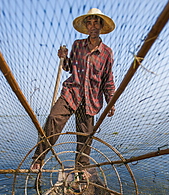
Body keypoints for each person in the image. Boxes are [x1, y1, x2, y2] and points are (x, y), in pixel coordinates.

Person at [31, 8, 116, 170]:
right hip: (72, 92)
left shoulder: (107, 53)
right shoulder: (77, 45)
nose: (93, 26)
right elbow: (70, 67)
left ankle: (81, 168)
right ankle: (38, 158)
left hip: (90, 99)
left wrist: (110, 101)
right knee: (53, 120)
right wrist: (64, 58)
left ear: (101, 26)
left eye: (96, 22)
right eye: (89, 23)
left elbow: (108, 79)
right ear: (86, 27)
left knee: (85, 136)